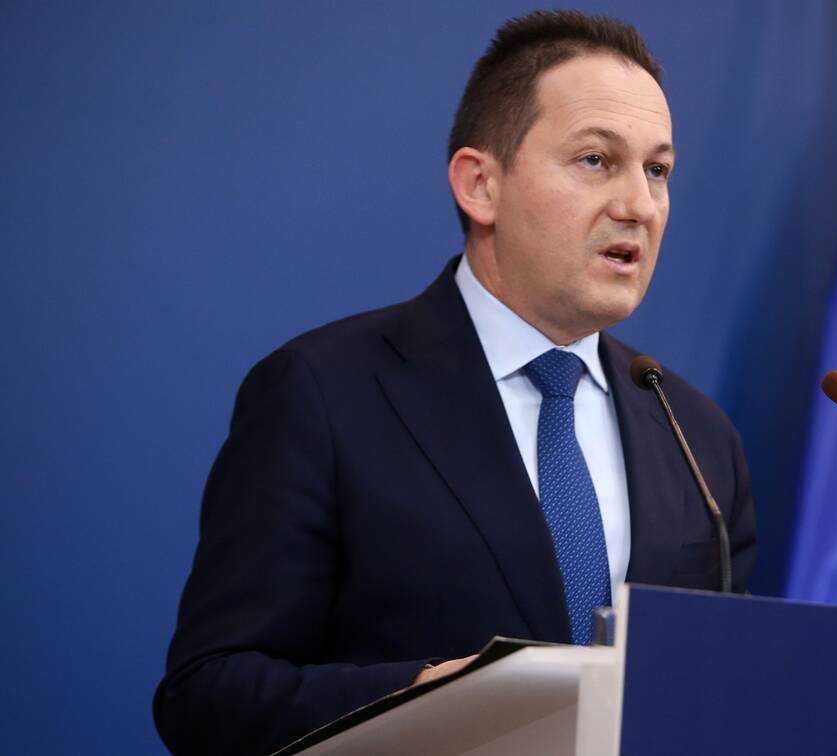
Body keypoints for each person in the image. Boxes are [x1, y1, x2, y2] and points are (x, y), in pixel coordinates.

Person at [154, 10, 756, 755]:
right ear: (480, 185)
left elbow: (728, 693)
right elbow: (209, 696)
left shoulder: (697, 438)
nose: (638, 205)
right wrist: (423, 698)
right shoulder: (323, 394)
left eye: (657, 170)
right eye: (596, 160)